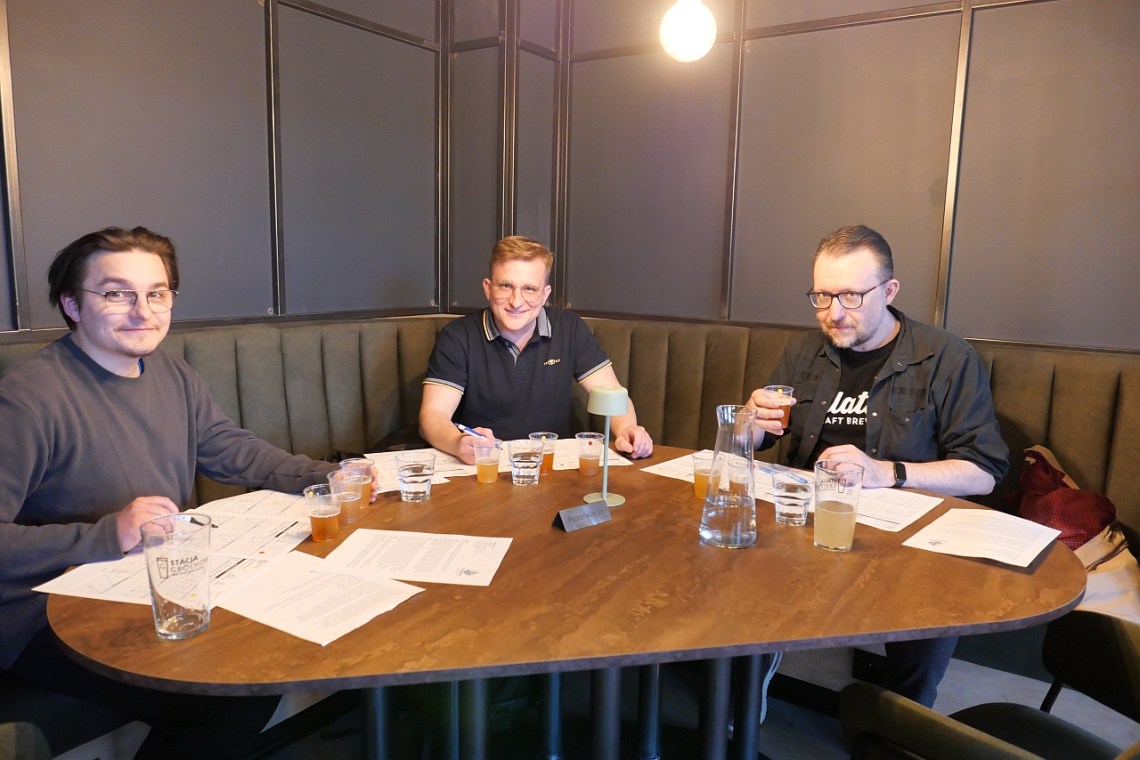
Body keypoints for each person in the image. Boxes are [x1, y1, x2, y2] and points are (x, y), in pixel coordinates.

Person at [0, 227, 372, 759]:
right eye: (116, 293)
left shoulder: (171, 373)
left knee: (265, 657)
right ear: (72, 304)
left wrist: (326, 476)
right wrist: (108, 534)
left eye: (157, 293)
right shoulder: (28, 398)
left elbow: (232, 449)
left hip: (146, 586)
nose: (142, 311)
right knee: (226, 701)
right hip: (46, 614)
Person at [746, 224, 1010, 707]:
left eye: (851, 296)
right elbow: (762, 437)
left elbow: (983, 471)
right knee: (730, 559)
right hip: (804, 513)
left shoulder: (946, 357)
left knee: (929, 615)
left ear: (889, 291)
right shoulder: (804, 351)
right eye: (822, 297)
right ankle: (743, 690)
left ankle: (898, 723)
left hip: (901, 529)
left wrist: (885, 472)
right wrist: (748, 422)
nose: (834, 313)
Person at [420, 235, 654, 463]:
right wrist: (457, 442)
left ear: (545, 295)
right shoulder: (458, 337)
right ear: (488, 288)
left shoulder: (570, 328)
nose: (516, 301)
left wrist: (627, 429)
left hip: (553, 468)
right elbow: (433, 415)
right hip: (485, 465)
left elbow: (612, 394)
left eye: (529, 289)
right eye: (506, 286)